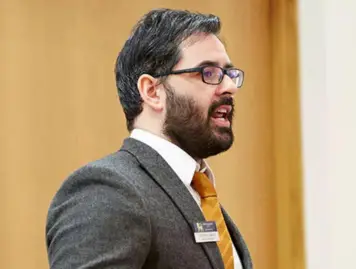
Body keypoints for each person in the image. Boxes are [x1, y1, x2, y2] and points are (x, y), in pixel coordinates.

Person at [46, 8, 252, 269]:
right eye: (208, 73)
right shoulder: (107, 189)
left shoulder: (198, 194)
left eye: (229, 74)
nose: (230, 87)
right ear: (152, 91)